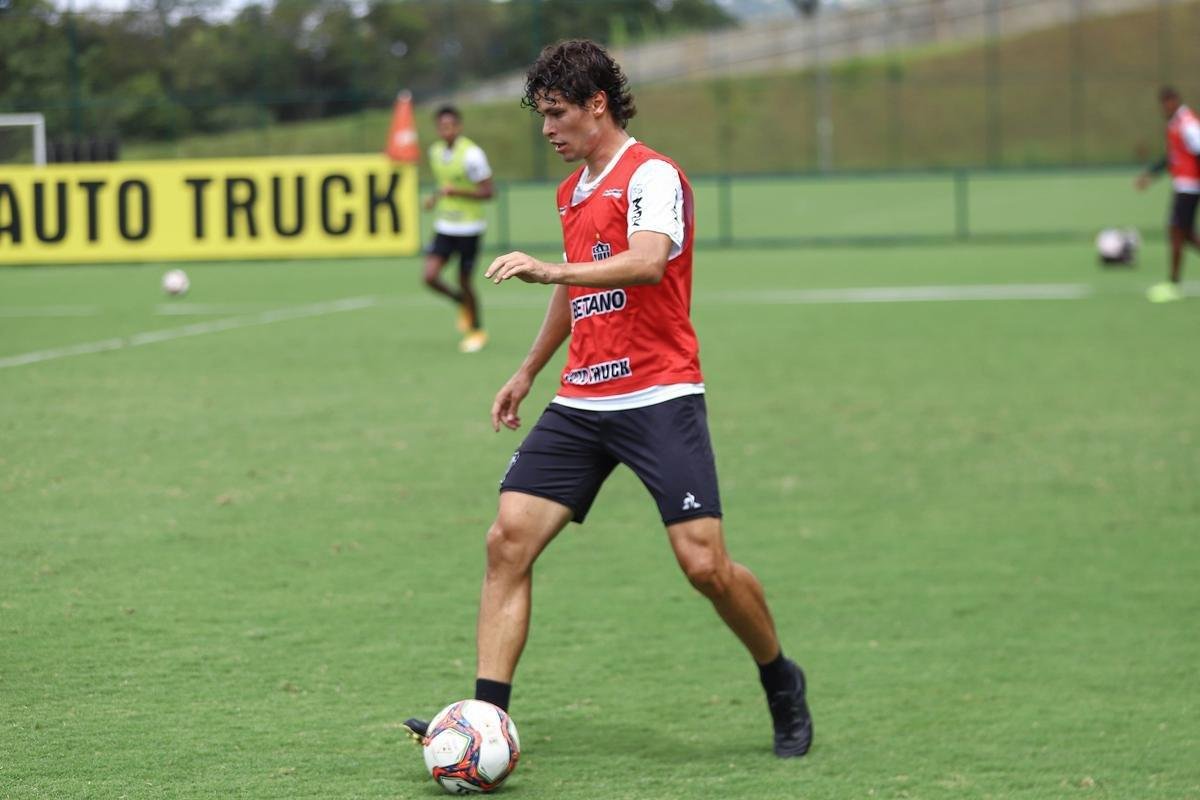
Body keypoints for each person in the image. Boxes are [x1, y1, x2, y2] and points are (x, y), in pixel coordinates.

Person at [404, 39, 813, 759]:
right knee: (507, 543)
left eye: (557, 114)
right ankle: (484, 721)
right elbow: (579, 290)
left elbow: (649, 262)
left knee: (704, 567)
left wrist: (547, 267)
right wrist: (528, 370)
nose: (547, 130)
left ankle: (780, 677)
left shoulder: (651, 176)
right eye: (541, 116)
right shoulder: (572, 193)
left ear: (599, 105)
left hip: (659, 393)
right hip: (582, 400)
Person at [423, 105, 494, 351]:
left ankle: (476, 330)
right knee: (429, 276)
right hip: (445, 226)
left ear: (459, 127)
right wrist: (434, 199)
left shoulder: (472, 154)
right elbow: (444, 185)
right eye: (442, 127)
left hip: (469, 229)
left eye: (450, 126)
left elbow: (488, 192)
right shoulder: (435, 152)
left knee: (465, 281)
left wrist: (458, 192)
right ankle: (462, 303)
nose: (446, 131)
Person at [1136, 86, 1200, 303]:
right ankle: (1173, 282)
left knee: (1176, 232)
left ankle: (1174, 284)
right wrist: (1150, 175)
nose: (1164, 107)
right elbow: (1171, 158)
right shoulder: (1174, 124)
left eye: (1167, 102)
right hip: (1183, 184)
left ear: (1175, 101)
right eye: (1162, 104)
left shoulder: (1188, 123)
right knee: (1186, 234)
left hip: (1190, 186)